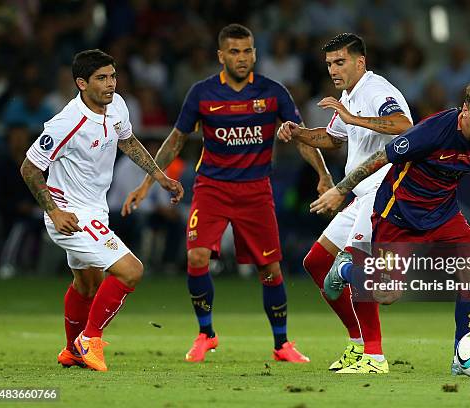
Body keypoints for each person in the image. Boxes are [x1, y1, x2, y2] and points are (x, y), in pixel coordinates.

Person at [122, 24, 331, 363]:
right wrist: (148, 183)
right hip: (212, 188)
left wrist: (323, 175)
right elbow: (176, 139)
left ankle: (282, 344)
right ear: (221, 56)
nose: (242, 58)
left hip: (256, 192)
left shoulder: (273, 92)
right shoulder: (202, 93)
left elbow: (301, 136)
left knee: (270, 270)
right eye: (234, 52)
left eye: (247, 51)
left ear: (254, 54)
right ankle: (206, 334)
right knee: (196, 257)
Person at [311, 77, 470, 375]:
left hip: (443, 215)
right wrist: (341, 189)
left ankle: (461, 354)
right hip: (398, 214)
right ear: (465, 110)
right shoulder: (434, 130)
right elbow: (381, 157)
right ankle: (346, 269)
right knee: (386, 295)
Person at [20, 49, 184, 372]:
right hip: (70, 213)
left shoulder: (117, 105)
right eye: (101, 79)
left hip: (95, 209)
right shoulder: (67, 122)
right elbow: (29, 168)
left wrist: (158, 176)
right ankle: (89, 339)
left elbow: (128, 142)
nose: (110, 84)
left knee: (87, 285)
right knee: (131, 270)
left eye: (112, 76)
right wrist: (53, 212)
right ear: (81, 83)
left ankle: (71, 350)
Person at [277, 33, 413, 373]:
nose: (334, 70)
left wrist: (354, 119)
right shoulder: (348, 95)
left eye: (340, 62)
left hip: (385, 189)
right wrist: (298, 132)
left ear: (360, 62)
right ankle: (356, 343)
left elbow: (403, 125)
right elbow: (333, 139)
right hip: (361, 192)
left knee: (354, 268)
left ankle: (375, 356)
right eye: (329, 64)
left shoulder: (377, 91)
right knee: (318, 262)